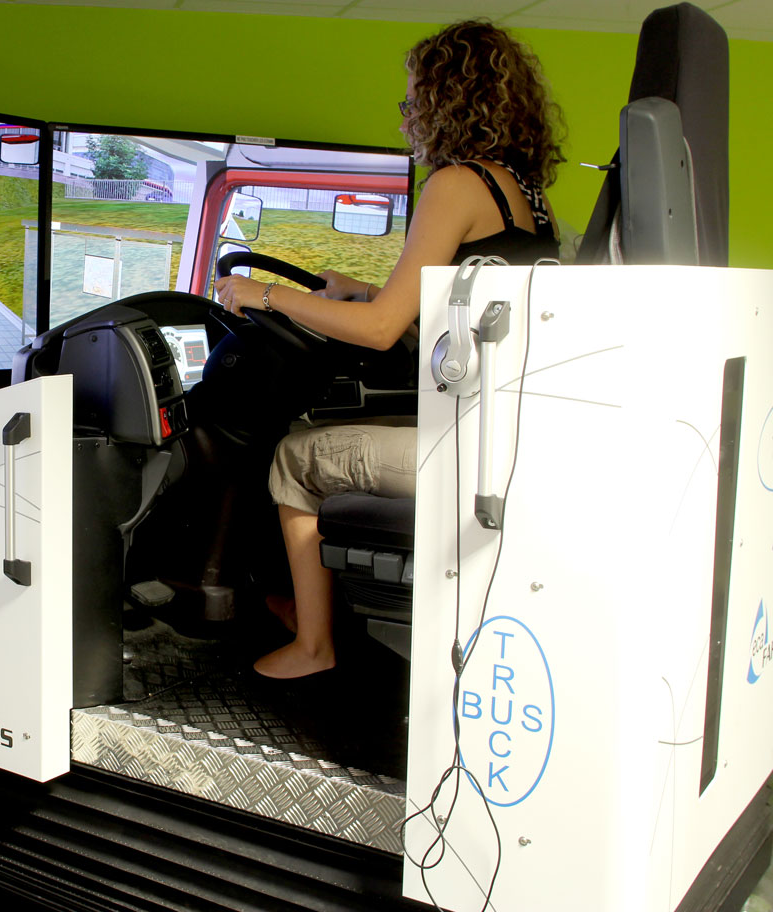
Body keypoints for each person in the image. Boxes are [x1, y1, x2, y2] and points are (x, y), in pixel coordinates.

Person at [213, 19, 564, 680]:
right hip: (504, 436)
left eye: (412, 102)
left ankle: (315, 647)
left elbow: (379, 330)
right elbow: (449, 311)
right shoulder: (525, 197)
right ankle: (310, 610)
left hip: (470, 450)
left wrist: (266, 297)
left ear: (446, 102)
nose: (407, 117)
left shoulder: (457, 184)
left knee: (293, 455)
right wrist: (368, 288)